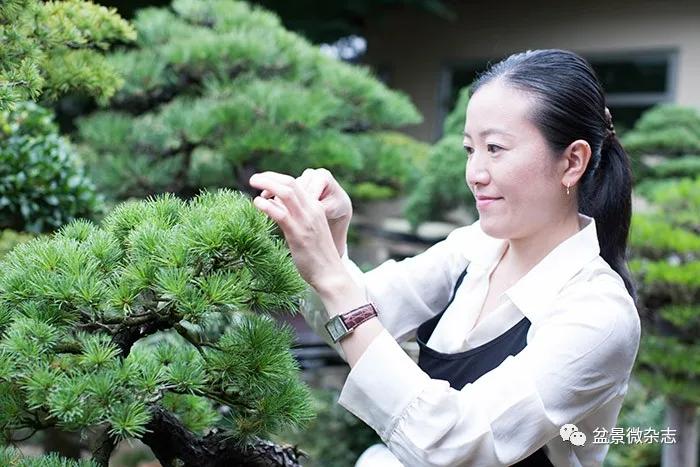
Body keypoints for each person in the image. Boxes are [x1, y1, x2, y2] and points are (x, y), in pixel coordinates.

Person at [248, 49, 642, 467]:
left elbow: (457, 445)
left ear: (572, 161)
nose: (475, 172)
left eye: (495, 148)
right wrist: (332, 240)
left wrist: (332, 275)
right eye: (470, 149)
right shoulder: (475, 248)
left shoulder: (599, 314)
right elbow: (351, 321)